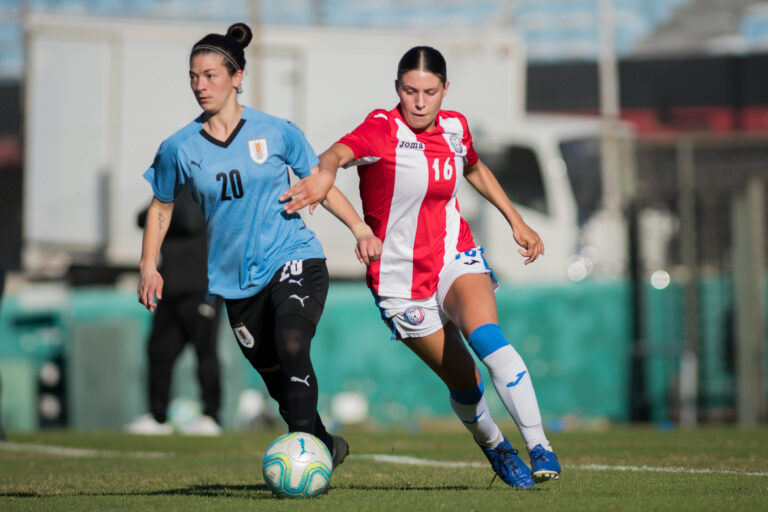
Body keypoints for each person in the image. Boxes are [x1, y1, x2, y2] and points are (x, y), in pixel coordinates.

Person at [282, 46, 560, 488]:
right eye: (410, 91)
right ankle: (496, 448)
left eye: (430, 92)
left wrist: (516, 220)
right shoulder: (381, 128)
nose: (419, 101)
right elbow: (336, 153)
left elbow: (473, 167)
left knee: (487, 338)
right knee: (466, 382)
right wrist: (327, 171)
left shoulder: (455, 127)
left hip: (455, 255)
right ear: (397, 89)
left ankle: (539, 444)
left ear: (445, 89)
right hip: (398, 282)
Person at [138, 22, 380, 468]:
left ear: (236, 77)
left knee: (292, 344)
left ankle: (307, 460)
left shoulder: (276, 131)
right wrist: (149, 264)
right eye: (193, 76)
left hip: (292, 256)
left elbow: (318, 183)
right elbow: (161, 206)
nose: (200, 85)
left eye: (210, 75)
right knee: (274, 377)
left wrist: (360, 229)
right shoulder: (178, 147)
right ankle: (324, 443)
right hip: (234, 279)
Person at [126, 187, 223, 436]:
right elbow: (141, 218)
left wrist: (160, 215)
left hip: (203, 287)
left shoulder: (206, 189)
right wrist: (160, 212)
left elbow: (191, 221)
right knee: (158, 353)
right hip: (170, 287)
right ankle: (158, 417)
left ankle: (211, 415)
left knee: (205, 353)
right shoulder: (167, 193)